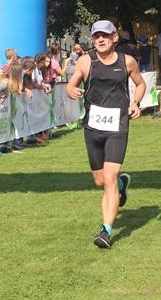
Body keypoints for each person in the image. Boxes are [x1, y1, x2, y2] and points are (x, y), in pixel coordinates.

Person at [66, 20, 146, 249]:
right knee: (100, 180)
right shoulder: (86, 61)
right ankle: (122, 184)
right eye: (96, 36)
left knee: (109, 178)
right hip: (93, 127)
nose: (100, 39)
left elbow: (140, 84)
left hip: (118, 126)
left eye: (105, 35)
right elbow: (71, 84)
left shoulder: (126, 61)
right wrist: (71, 90)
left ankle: (106, 231)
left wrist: (135, 103)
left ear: (114, 38)